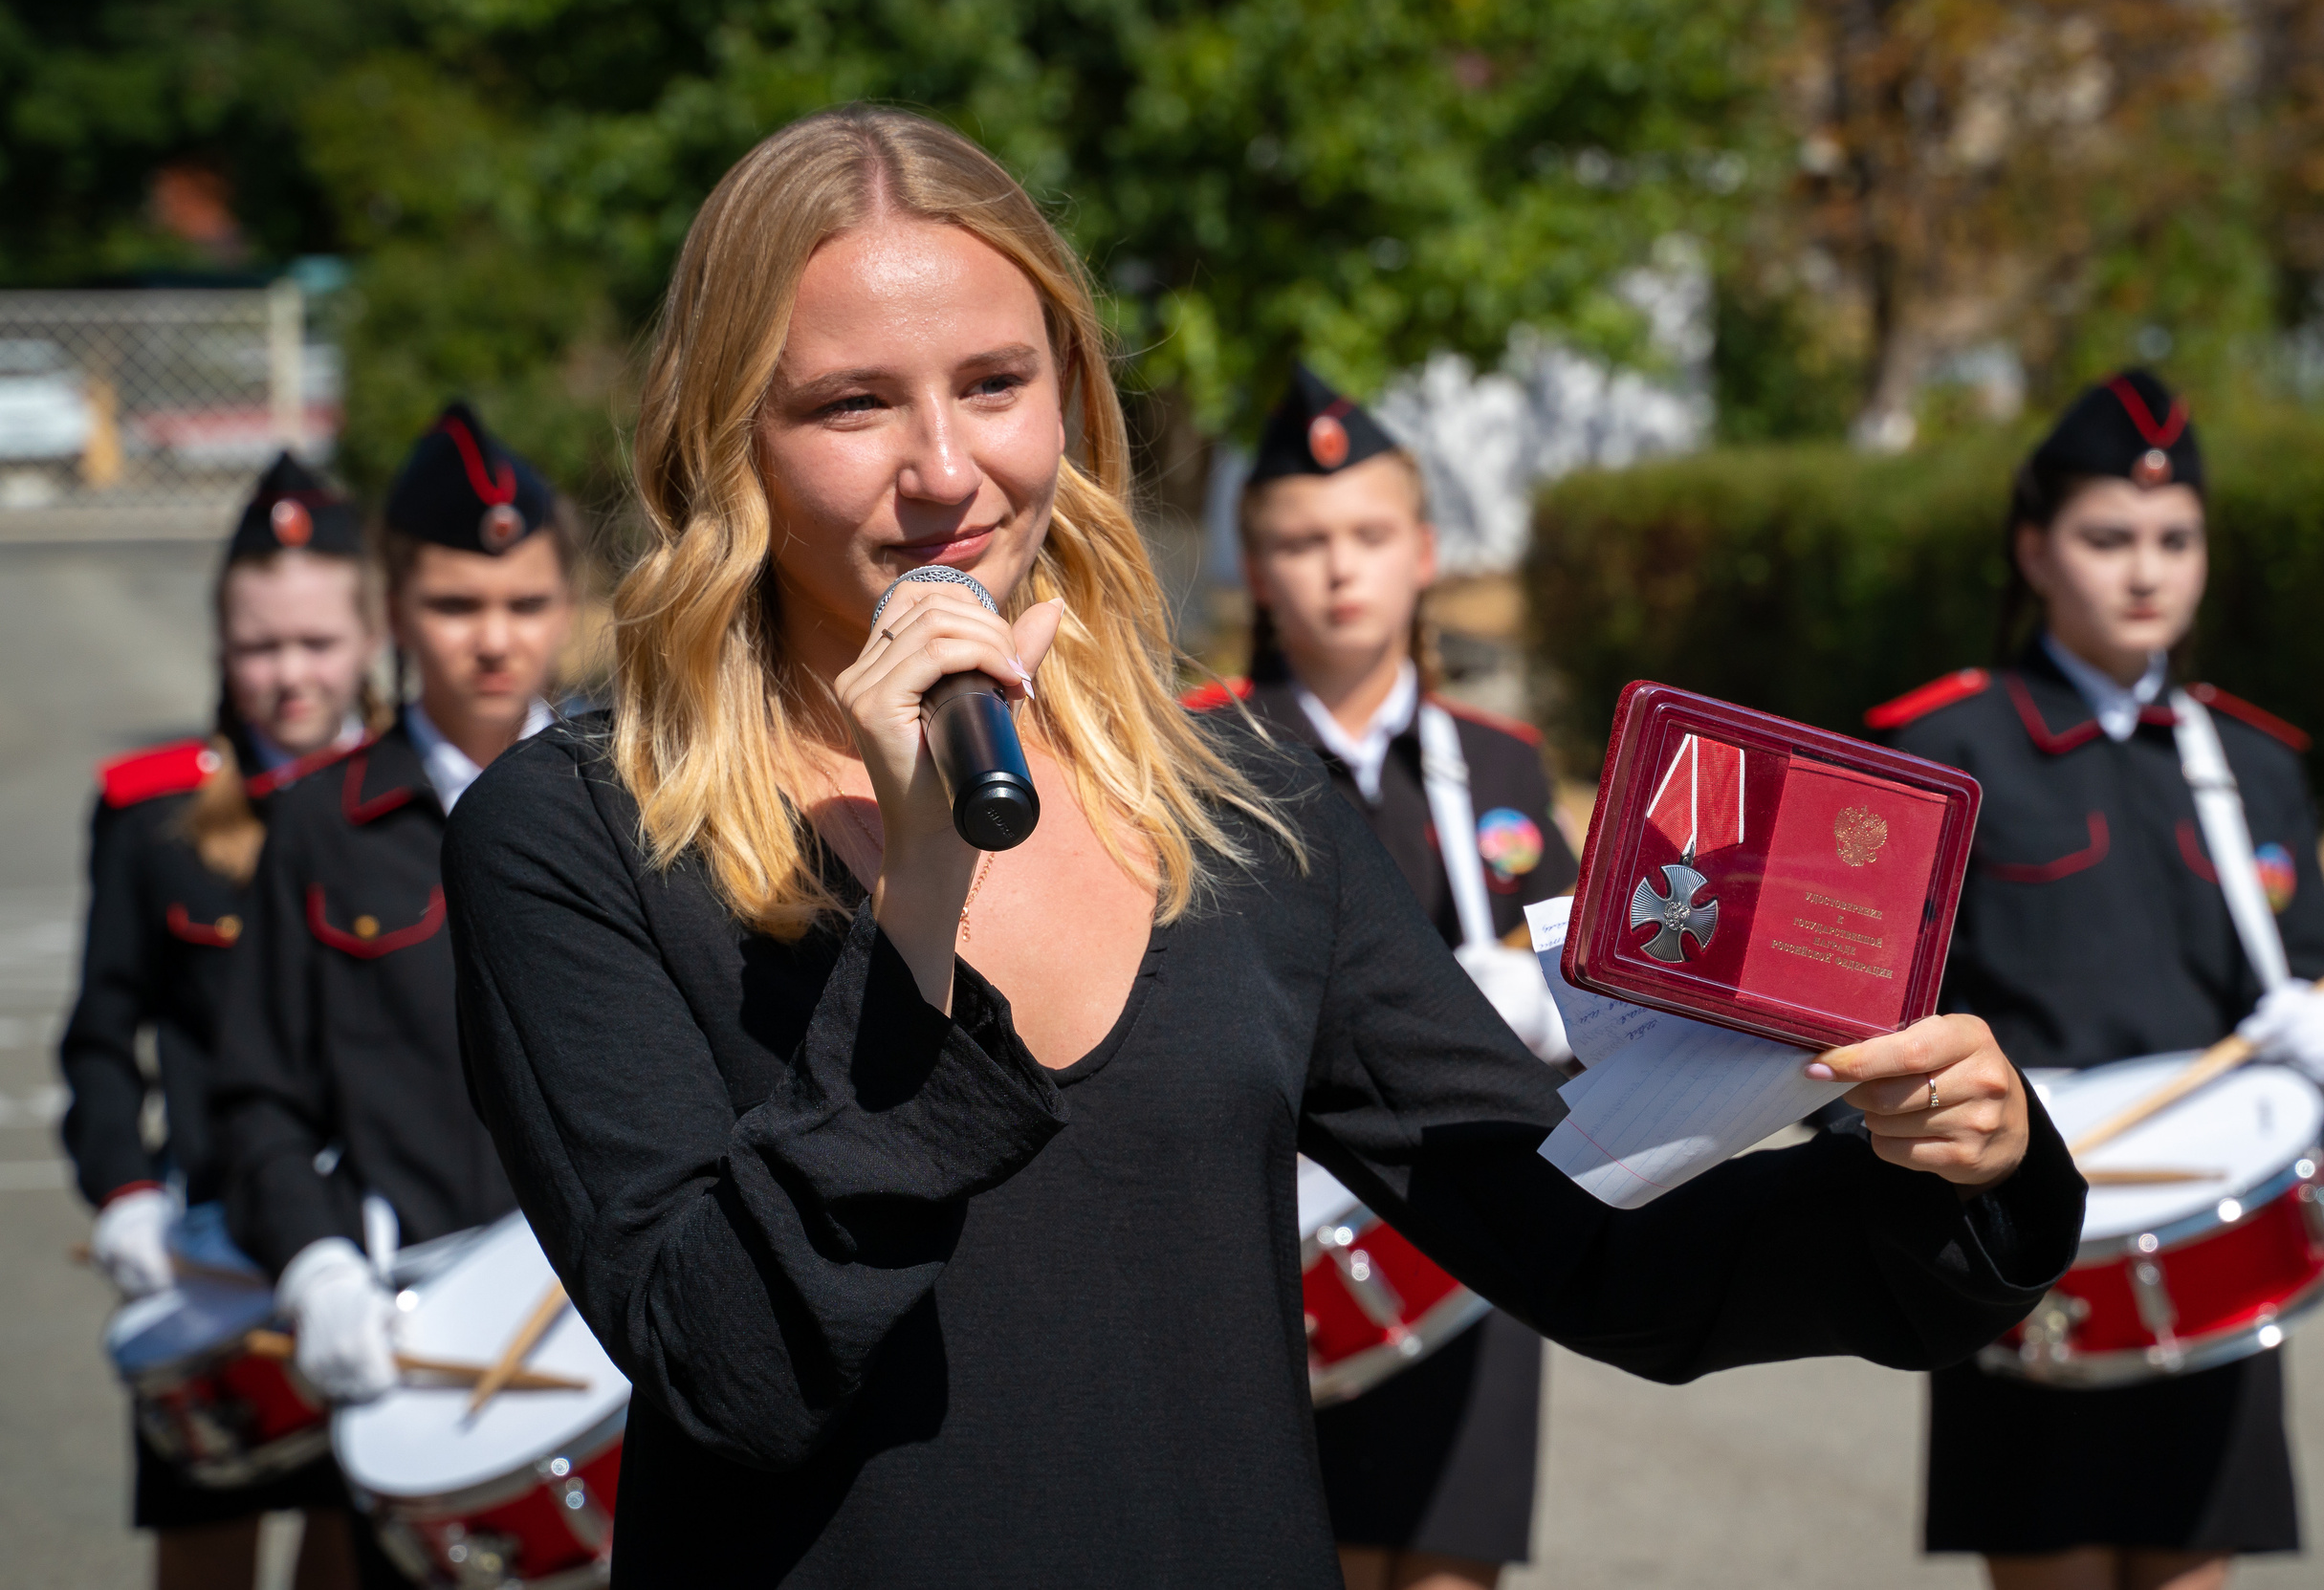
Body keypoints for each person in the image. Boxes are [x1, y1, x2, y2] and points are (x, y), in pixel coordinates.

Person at [440, 104, 2081, 1590]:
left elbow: (1592, 1245)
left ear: (1073, 397)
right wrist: (919, 898)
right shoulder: (576, 828)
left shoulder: (1247, 799)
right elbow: (730, 1366)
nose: (946, 470)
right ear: (724, 438)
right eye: (852, 405)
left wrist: (1957, 1174)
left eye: (998, 384)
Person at [1869, 370, 2324, 1590]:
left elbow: (2313, 973)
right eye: (2107, 538)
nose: (2145, 571)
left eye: (2174, 539)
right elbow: (1868, 1024)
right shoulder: (1944, 749)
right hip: (2026, 1240)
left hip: (2207, 1235)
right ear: (2034, 551)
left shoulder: (2251, 761)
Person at [1189, 365, 1575, 1590]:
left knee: (1454, 1560)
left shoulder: (1500, 765)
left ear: (1425, 551)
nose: (1339, 568)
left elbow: (1583, 979)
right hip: (1276, 1255)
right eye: (1300, 542)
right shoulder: (1206, 760)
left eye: (1367, 534)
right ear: (1254, 571)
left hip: (1477, 1246)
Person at [214, 402, 576, 1429]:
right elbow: (257, 1099)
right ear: (397, 613)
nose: (498, 641)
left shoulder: (634, 796)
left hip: (616, 1318)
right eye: (458, 605)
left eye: (529, 602)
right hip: (422, 1333)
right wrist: (315, 1261)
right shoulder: (323, 824)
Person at [59, 452, 380, 1590]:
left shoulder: (418, 810)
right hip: (207, 1268)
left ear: (368, 639)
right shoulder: (152, 814)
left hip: (368, 1265)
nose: (288, 675)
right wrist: (126, 1193)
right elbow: (101, 1037)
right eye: (258, 645)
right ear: (220, 646)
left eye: (316, 643)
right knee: (205, 1562)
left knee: (350, 1558)